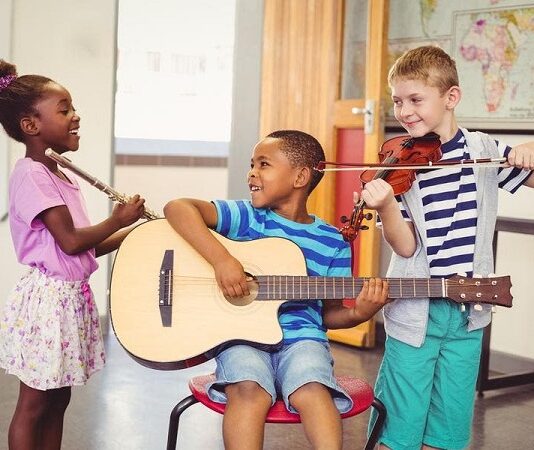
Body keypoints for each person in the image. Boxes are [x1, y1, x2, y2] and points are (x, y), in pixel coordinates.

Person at [164, 129, 389, 450]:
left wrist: (360, 312)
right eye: (252, 164)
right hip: (242, 337)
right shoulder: (246, 217)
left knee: (312, 388)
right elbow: (178, 207)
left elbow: (330, 315)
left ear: (300, 176)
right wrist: (222, 260)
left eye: (264, 164)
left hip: (302, 339)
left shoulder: (332, 241)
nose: (252, 173)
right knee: (247, 388)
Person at [358, 46, 534, 450]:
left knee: (450, 424)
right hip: (416, 309)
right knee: (399, 422)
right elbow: (405, 247)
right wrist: (385, 204)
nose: (404, 111)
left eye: (415, 99)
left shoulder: (483, 151)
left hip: (469, 310)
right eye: (398, 101)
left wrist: (528, 153)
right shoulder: (401, 165)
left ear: (450, 98)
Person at [0, 60, 146, 450]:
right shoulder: (32, 173)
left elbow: (87, 244)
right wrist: (117, 219)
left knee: (59, 398)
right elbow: (69, 241)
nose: (75, 116)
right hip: (48, 301)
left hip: (69, 296)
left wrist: (138, 231)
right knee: (33, 402)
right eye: (64, 109)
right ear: (31, 125)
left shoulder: (59, 172)